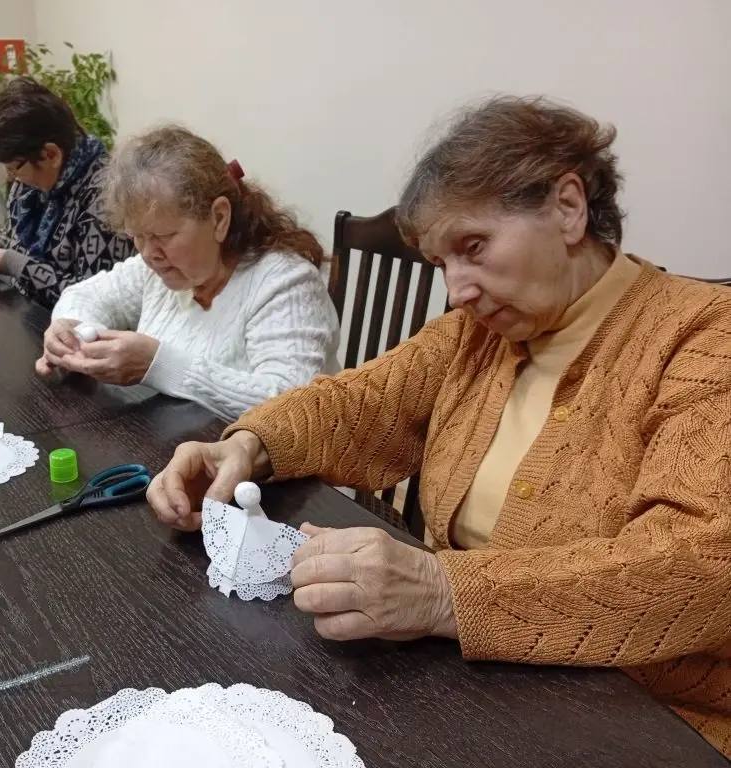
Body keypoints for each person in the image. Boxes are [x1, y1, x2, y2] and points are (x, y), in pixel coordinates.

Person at [146, 97, 731, 755]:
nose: (457, 291)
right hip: (478, 688)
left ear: (568, 207)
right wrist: (248, 447)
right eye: (442, 263)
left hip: (656, 722)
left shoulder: (706, 337)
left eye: (474, 247)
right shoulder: (475, 336)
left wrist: (443, 592)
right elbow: (357, 402)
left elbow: (701, 566)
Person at [35, 125, 340, 421]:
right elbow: (86, 295)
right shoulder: (158, 270)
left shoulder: (285, 283)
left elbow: (292, 407)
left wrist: (157, 365)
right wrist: (71, 330)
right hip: (171, 440)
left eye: (164, 236)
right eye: (137, 236)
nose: (148, 253)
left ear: (219, 218)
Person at [0, 77, 133, 309]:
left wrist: (8, 262)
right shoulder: (31, 186)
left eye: (15, 167)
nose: (11, 177)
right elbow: (11, 240)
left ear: (51, 154)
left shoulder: (106, 197)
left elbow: (96, 300)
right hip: (27, 315)